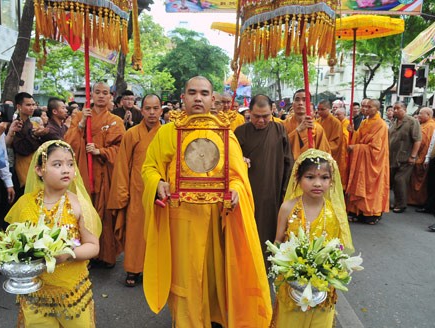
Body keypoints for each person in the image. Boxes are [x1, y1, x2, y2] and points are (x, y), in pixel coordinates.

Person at [141, 76, 272, 327]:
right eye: (192, 92)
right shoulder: (168, 132)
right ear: (184, 97)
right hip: (181, 220)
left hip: (216, 218)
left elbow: (237, 176)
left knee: (216, 277)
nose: (198, 98)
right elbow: (149, 168)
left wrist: (235, 190)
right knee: (186, 280)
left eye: (203, 93)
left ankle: (217, 319)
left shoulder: (224, 134)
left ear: (213, 98)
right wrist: (158, 184)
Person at [5, 140, 101, 327]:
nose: (66, 170)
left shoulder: (79, 205)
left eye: (70, 164)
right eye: (57, 164)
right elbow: (12, 244)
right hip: (35, 294)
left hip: (71, 293)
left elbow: (93, 246)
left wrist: (68, 253)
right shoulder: (25, 204)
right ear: (39, 170)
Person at [273, 149, 354, 328]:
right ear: (298, 179)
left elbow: (338, 250)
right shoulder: (287, 208)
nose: (317, 183)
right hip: (291, 285)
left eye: (324, 178)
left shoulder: (335, 213)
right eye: (310, 177)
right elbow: (278, 241)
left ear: (331, 181)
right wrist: (282, 265)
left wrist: (334, 271)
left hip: (323, 288)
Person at [65, 81, 125, 267]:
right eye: (97, 92)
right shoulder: (80, 116)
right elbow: (69, 143)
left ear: (110, 96)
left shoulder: (116, 120)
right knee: (83, 213)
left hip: (104, 174)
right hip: (83, 173)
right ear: (91, 95)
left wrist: (101, 151)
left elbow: (121, 149)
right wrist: (82, 125)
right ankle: (85, 255)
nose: (101, 96)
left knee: (104, 213)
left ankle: (106, 254)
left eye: (105, 93)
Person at [107, 94, 163, 287]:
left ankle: (153, 269)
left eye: (156, 108)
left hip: (158, 190)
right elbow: (122, 164)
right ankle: (133, 269)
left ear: (161, 110)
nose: (152, 113)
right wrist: (123, 192)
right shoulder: (131, 134)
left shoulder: (165, 133)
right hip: (137, 190)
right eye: (148, 108)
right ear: (142, 109)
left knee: (157, 231)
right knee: (135, 231)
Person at [234, 94, 293, 250]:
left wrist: (286, 191)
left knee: (270, 232)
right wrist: (241, 160)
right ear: (249, 113)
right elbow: (231, 162)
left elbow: (288, 161)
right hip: (247, 193)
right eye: (256, 116)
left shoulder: (280, 129)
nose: (261, 121)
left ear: (272, 112)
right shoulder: (240, 132)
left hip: (272, 191)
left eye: (266, 116)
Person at [346, 99, 389, 224]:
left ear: (377, 109)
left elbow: (376, 148)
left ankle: (371, 213)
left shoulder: (380, 124)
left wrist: (356, 147)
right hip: (362, 160)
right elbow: (359, 138)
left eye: (369, 107)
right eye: (364, 106)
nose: (365, 109)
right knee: (358, 184)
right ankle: (357, 211)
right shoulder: (365, 122)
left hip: (373, 161)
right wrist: (352, 132)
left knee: (371, 186)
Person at [388, 101, 421, 213]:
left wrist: (413, 156)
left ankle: (401, 204)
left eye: (398, 108)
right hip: (393, 157)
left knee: (400, 180)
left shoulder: (412, 122)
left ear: (405, 109)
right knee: (393, 180)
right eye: (394, 108)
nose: (395, 111)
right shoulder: (394, 122)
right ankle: (397, 202)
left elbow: (417, 140)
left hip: (406, 157)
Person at [282, 89, 331, 160]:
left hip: (309, 169)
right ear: (293, 104)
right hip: (288, 168)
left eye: (304, 100)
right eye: (297, 100)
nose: (300, 103)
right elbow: (278, 148)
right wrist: (298, 130)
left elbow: (324, 155)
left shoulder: (317, 128)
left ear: (309, 104)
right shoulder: (283, 125)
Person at [12, 92, 46, 188]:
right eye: (28, 105)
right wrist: (34, 135)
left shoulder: (32, 123)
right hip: (22, 167)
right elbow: (20, 148)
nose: (32, 108)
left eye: (33, 105)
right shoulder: (16, 125)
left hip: (33, 164)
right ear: (19, 106)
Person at [316, 100, 348, 188]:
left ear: (329, 109)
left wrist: (321, 149)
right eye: (318, 109)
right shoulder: (317, 121)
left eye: (322, 109)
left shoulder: (336, 123)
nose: (319, 112)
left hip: (329, 155)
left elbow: (336, 143)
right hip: (317, 154)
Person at [409, 107, 435, 207]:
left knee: (420, 182)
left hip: (422, 156)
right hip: (421, 156)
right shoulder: (425, 125)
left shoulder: (430, 126)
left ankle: (418, 201)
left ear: (428, 115)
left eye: (421, 113)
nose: (419, 115)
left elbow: (423, 141)